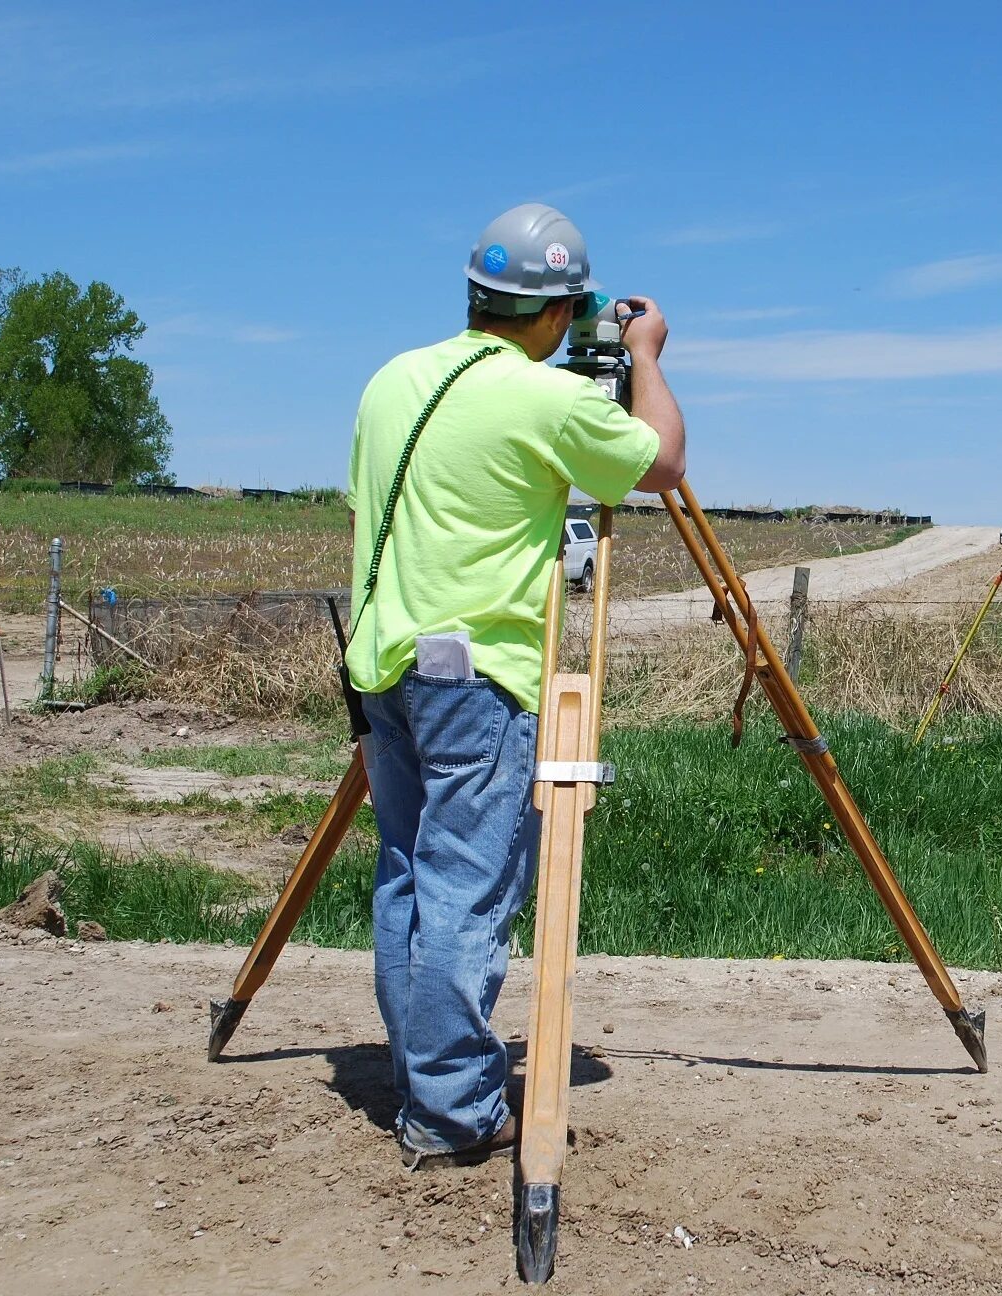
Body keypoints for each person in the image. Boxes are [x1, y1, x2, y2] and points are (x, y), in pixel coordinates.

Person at [344, 203, 685, 1168]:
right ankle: (452, 1112)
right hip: (477, 680)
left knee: (408, 876)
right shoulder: (545, 401)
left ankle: (423, 1075)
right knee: (466, 889)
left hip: (385, 669)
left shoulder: (391, 380)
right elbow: (662, 460)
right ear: (556, 311)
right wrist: (645, 356)